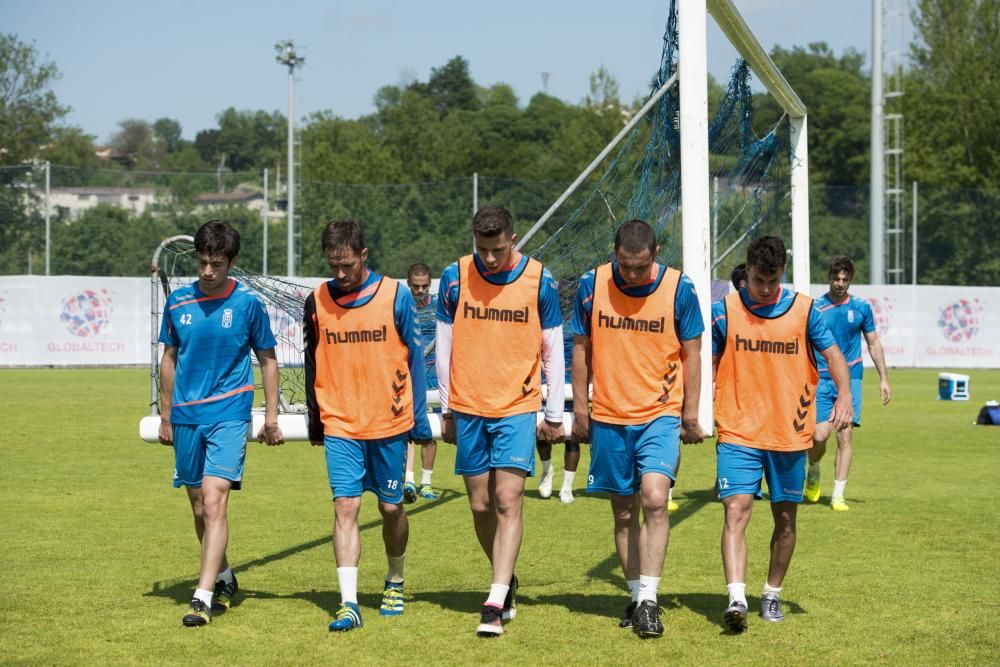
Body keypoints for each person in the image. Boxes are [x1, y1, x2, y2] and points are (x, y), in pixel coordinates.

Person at [435, 205, 566, 637]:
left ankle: (493, 600)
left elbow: (553, 347)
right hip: (469, 407)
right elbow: (444, 344)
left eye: (497, 249)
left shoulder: (539, 280)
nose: (489, 258)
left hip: (516, 406)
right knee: (480, 504)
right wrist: (448, 407)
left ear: (514, 238)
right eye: (482, 249)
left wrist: (552, 412)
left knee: (509, 499)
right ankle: (505, 578)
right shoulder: (454, 278)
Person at [571, 219, 705, 638]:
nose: (631, 274)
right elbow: (580, 348)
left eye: (640, 266)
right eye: (625, 266)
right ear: (614, 253)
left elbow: (693, 353)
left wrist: (690, 413)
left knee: (654, 498)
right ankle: (633, 596)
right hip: (609, 415)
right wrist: (580, 409)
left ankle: (650, 600)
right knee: (624, 510)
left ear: (656, 253)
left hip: (659, 414)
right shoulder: (591, 286)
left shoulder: (679, 289)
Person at [712, 235, 852, 632]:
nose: (767, 289)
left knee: (785, 520)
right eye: (759, 280)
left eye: (774, 281)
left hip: (790, 435)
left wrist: (845, 396)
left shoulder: (805, 311)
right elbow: (704, 355)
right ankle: (736, 598)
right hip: (738, 431)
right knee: (736, 511)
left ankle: (771, 593)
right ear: (747, 272)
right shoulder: (724, 311)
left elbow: (833, 355)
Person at [304, 220, 433, 633]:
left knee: (390, 507)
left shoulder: (394, 295)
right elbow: (311, 360)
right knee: (345, 508)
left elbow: (413, 359)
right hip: (340, 421)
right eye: (333, 265)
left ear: (363, 255)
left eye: (347, 265)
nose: (340, 274)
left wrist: (418, 419)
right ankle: (349, 603)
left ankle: (395, 578)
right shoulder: (317, 300)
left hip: (388, 422)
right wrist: (314, 417)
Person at [157, 219, 285, 627]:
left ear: (232, 261)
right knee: (198, 507)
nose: (208, 271)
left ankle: (202, 596)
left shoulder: (248, 305)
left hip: (229, 413)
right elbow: (169, 359)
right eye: (202, 262)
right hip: (186, 418)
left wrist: (270, 415)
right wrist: (165, 413)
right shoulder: (177, 303)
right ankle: (226, 576)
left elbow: (267, 360)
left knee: (214, 501)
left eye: (216, 263)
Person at [805, 256, 892, 511]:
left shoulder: (862, 308)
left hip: (851, 378)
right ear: (829, 278)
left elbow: (873, 344)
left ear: (850, 280)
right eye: (836, 278)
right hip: (821, 378)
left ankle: (838, 495)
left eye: (845, 279)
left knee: (845, 435)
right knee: (820, 435)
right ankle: (813, 468)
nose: (840, 283)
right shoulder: (816, 307)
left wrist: (884, 379)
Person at [403, 262, 441, 502]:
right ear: (408, 284)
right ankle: (408, 479)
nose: (420, 291)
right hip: (410, 376)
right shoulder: (402, 306)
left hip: (435, 377)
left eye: (424, 286)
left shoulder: (439, 307)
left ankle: (426, 482)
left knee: (431, 431)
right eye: (416, 286)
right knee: (408, 428)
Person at [537, 328, 578, 504]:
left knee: (573, 434)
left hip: (574, 368)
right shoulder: (547, 302)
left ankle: (567, 486)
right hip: (546, 369)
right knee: (541, 428)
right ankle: (547, 472)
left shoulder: (579, 303)